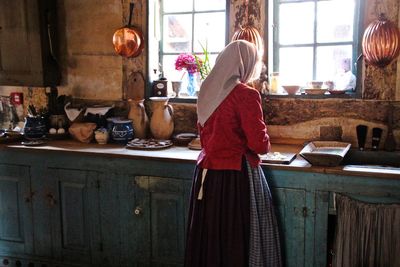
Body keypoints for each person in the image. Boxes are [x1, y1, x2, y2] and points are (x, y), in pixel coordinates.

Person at [184, 40, 282, 267]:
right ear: (244, 64)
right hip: (234, 178)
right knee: (235, 240)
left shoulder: (207, 90)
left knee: (210, 240)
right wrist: (266, 141)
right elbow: (259, 145)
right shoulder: (246, 95)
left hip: (206, 176)